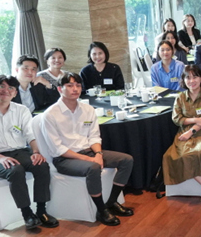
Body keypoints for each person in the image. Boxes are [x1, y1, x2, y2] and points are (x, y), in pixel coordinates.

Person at [43, 73, 134, 226]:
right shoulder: (50, 114)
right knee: (93, 167)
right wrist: (90, 159)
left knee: (126, 160)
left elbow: (94, 136)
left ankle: (111, 202)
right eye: (70, 85)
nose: (75, 89)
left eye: (78, 85)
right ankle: (102, 210)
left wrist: (98, 154)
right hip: (65, 159)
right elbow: (57, 148)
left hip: (89, 151)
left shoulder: (88, 109)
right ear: (59, 89)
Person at [0, 75, 58, 229]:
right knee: (15, 170)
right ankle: (27, 214)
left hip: (19, 151)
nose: (6, 90)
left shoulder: (21, 110)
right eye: (1, 86)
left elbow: (30, 135)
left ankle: (41, 210)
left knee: (41, 165)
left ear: (15, 93)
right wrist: (0, 158)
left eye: (11, 88)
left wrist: (36, 152)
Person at [163, 65, 201, 206]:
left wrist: (192, 131)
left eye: (195, 77)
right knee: (178, 155)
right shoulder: (180, 97)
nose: (192, 81)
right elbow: (176, 118)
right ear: (184, 80)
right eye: (188, 78)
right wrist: (195, 120)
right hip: (185, 132)